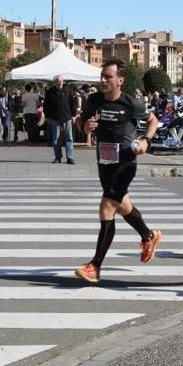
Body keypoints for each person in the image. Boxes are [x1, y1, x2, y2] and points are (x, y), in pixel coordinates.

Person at [74, 58, 163, 283]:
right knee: (123, 206)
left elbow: (153, 121)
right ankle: (149, 236)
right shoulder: (93, 100)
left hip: (125, 162)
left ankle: (95, 265)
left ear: (120, 80)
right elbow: (80, 122)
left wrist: (146, 141)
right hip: (104, 161)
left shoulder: (131, 104)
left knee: (106, 207)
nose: (103, 80)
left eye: (108, 77)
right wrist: (84, 127)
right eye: (102, 76)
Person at [43, 75, 75, 164]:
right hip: (54, 118)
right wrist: (47, 115)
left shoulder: (67, 91)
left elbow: (72, 104)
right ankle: (58, 157)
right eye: (58, 81)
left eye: (61, 81)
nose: (60, 82)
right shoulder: (50, 92)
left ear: (63, 81)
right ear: (55, 82)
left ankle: (70, 157)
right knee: (56, 139)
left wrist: (74, 115)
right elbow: (46, 105)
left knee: (69, 138)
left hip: (67, 117)